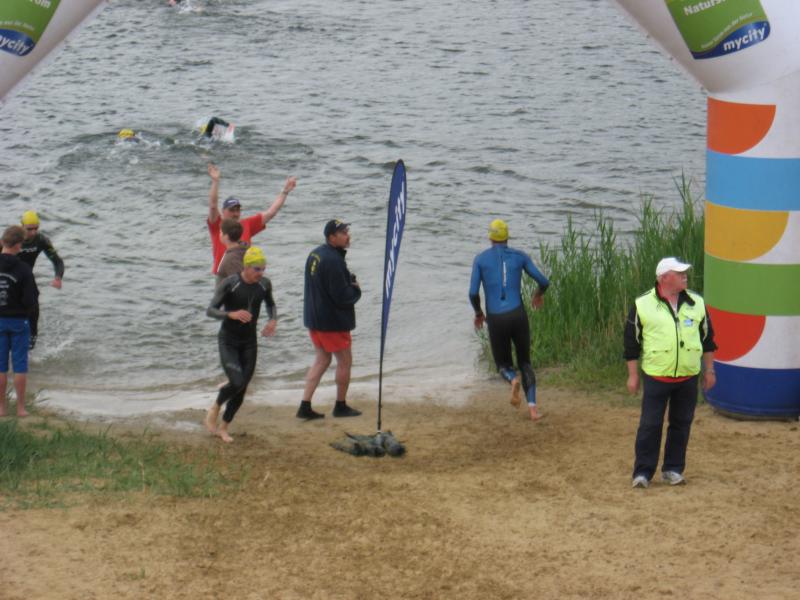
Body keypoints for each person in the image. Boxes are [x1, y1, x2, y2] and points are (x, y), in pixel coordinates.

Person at [624, 257, 717, 489]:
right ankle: (643, 472)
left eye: (685, 272)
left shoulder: (697, 303)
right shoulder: (642, 304)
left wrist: (710, 370)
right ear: (664, 278)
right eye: (679, 273)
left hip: (688, 376)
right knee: (650, 425)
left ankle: (673, 469)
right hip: (656, 376)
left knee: (682, 424)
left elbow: (708, 340)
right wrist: (633, 375)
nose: (685, 276)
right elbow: (631, 344)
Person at [469, 219, 550, 422]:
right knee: (525, 362)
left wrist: (479, 313)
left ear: (490, 237)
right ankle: (533, 410)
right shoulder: (519, 256)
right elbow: (543, 281)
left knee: (503, 365)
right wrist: (538, 294)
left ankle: (512, 380)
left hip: (496, 318)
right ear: (507, 236)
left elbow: (472, 293)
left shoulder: (480, 259)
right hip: (517, 314)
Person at [205, 246, 277, 443]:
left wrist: (272, 320)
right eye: (257, 269)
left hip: (249, 342)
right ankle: (215, 407)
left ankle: (224, 427)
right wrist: (231, 314)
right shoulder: (231, 283)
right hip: (228, 341)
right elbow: (211, 310)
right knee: (236, 382)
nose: (261, 273)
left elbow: (270, 304)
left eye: (263, 269)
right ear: (246, 267)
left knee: (242, 386)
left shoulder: (264, 284)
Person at [297, 220, 362, 420]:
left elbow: (322, 284)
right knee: (345, 361)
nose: (347, 235)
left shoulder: (315, 253)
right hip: (331, 322)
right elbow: (342, 297)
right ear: (331, 237)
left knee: (322, 360)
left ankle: (304, 406)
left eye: (347, 231)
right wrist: (356, 290)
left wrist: (346, 280)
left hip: (314, 318)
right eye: (343, 233)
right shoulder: (334, 260)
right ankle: (340, 406)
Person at [206, 163, 296, 274]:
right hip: (223, 276)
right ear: (223, 211)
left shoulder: (246, 224)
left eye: (238, 210)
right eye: (231, 210)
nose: (235, 214)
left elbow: (271, 212)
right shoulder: (217, 225)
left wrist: (285, 192)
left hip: (245, 276)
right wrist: (215, 181)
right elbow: (213, 205)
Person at [0, 226, 36, 417]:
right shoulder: (23, 269)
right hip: (19, 321)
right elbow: (30, 300)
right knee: (20, 365)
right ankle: (21, 408)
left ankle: (1, 408)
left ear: (3, 242)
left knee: (0, 367)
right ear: (18, 245)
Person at [18, 211, 64, 350]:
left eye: (36, 228)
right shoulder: (13, 238)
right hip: (10, 279)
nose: (33, 232)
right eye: (29, 229)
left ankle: (30, 349)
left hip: (27, 279)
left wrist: (58, 278)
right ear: (22, 226)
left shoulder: (41, 240)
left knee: (33, 313)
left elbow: (57, 261)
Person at [215, 219, 248, 287]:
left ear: (226, 236)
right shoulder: (243, 249)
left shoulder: (231, 259)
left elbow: (239, 285)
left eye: (221, 232)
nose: (219, 235)